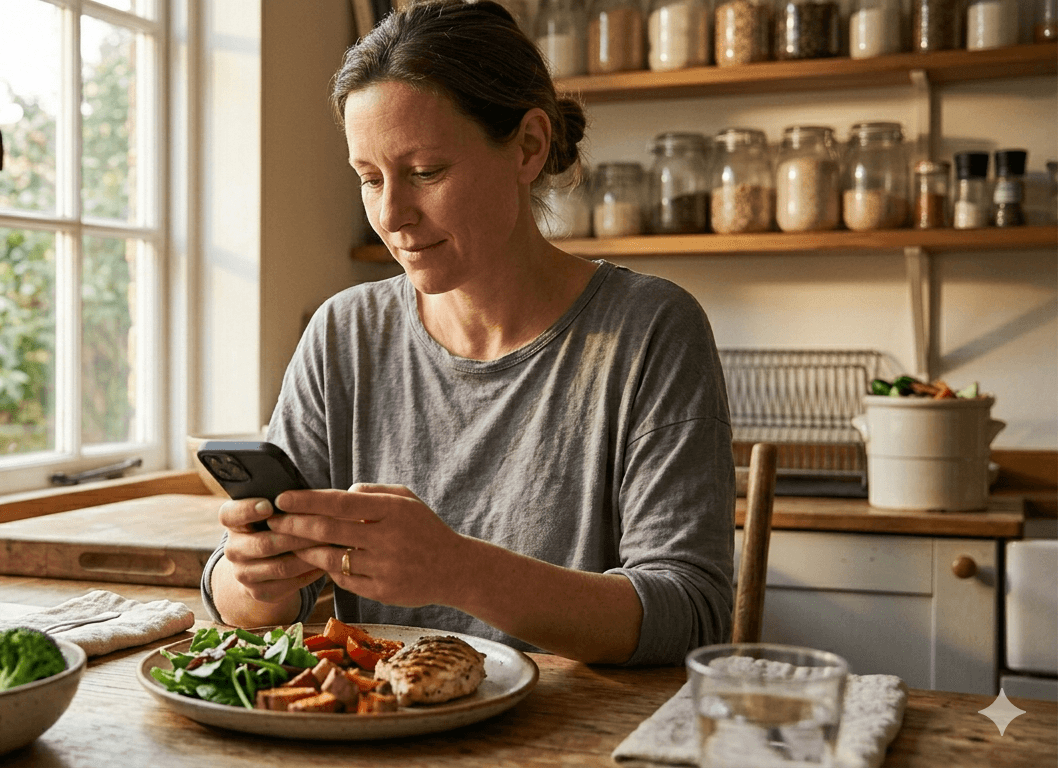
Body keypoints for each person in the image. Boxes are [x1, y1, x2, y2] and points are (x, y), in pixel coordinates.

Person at [200, 0, 735, 666]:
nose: (391, 215)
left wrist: (456, 569)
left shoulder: (649, 330)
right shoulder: (345, 334)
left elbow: (692, 613)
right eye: (369, 178)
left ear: (528, 147)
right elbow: (241, 603)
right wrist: (251, 578)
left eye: (426, 173)